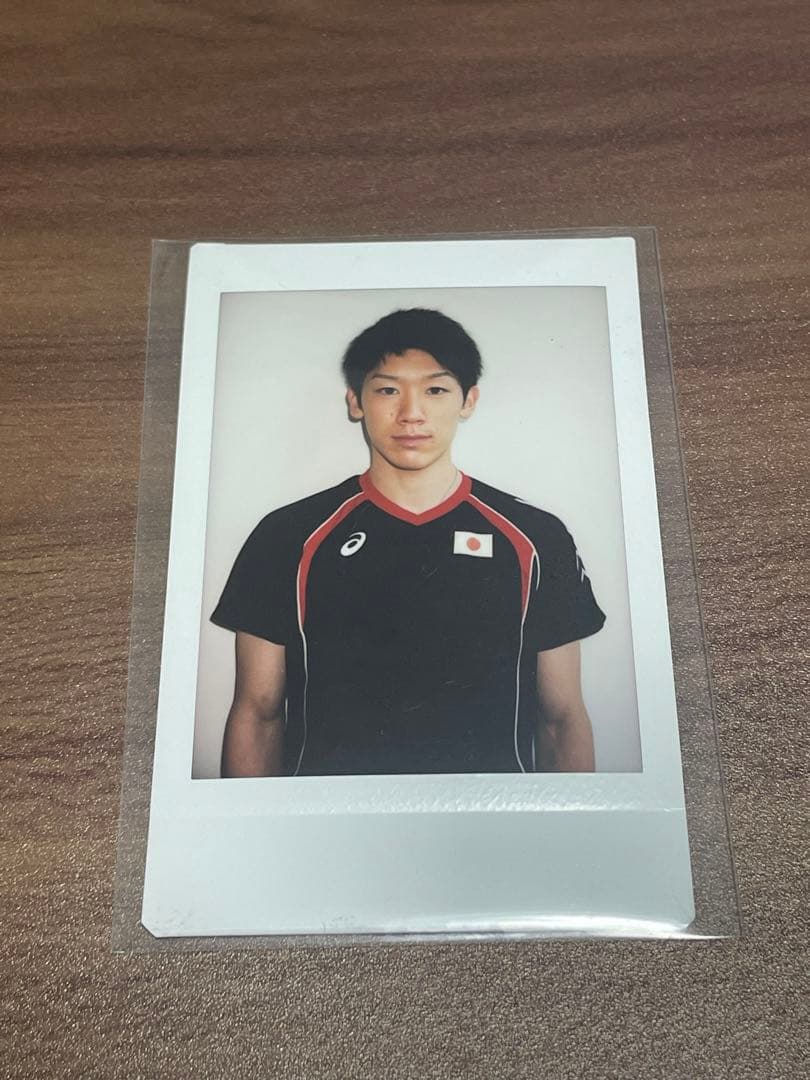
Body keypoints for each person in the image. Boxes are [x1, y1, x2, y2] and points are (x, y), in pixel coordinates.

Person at [212, 308, 605, 777]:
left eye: (435, 390)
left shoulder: (537, 538)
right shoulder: (287, 536)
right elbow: (257, 714)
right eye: (388, 390)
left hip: (491, 817)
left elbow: (562, 719)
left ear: (469, 400)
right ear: (356, 401)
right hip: (331, 818)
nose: (411, 413)